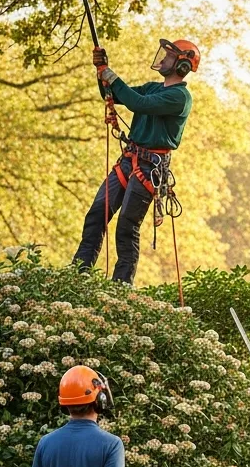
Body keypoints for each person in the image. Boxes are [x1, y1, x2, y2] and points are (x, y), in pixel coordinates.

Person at [73, 38, 199, 285]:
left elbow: (136, 103)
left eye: (169, 56)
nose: (162, 59)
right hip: (129, 160)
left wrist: (111, 75)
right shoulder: (153, 88)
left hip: (149, 167)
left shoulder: (179, 97)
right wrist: (102, 73)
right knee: (96, 214)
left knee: (126, 227)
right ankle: (77, 275)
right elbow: (115, 95)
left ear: (182, 66)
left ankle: (121, 287)